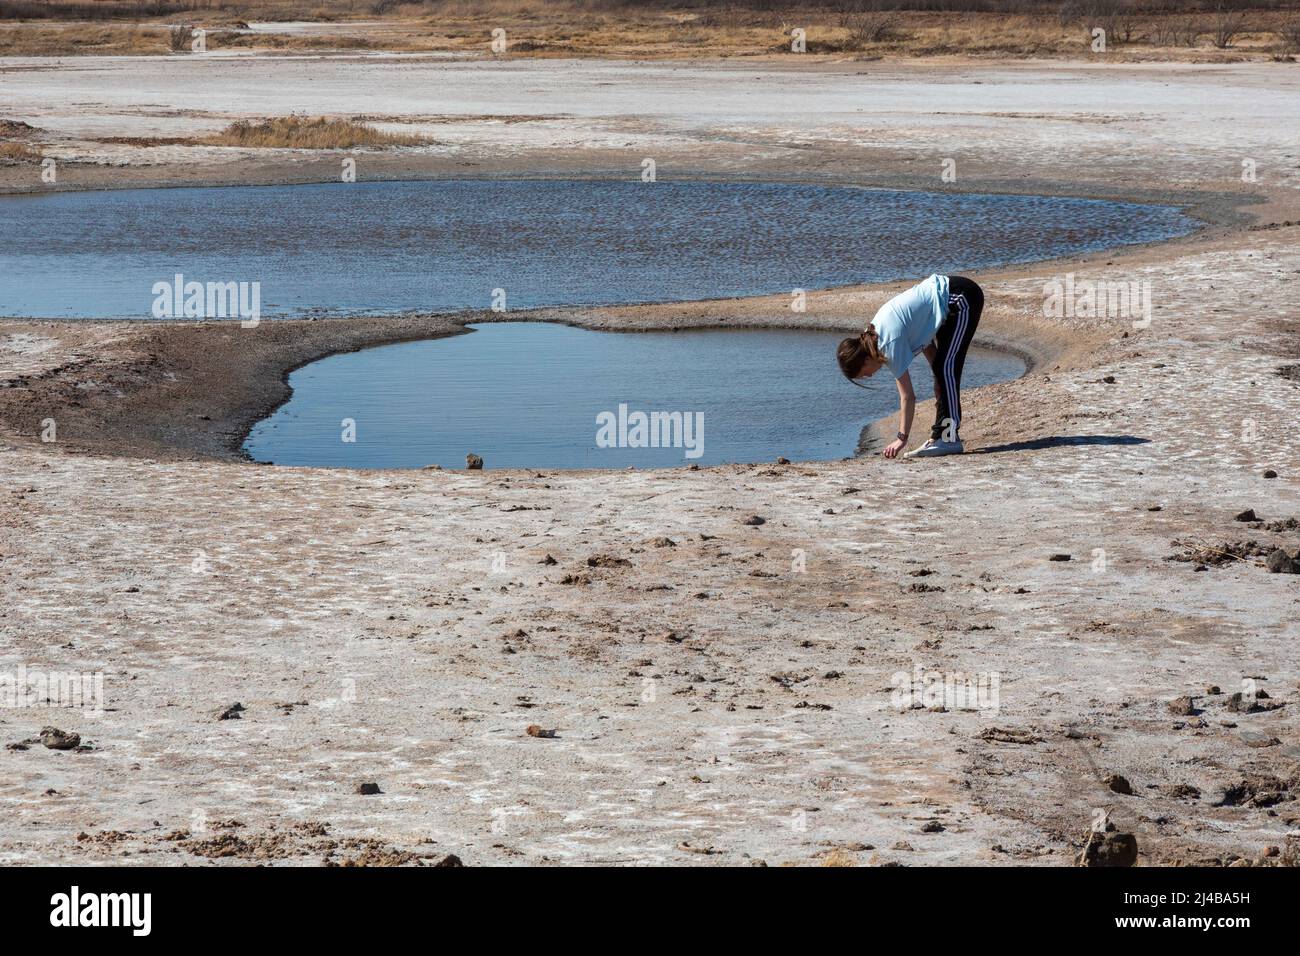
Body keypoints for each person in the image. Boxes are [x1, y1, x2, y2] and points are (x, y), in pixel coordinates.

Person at [836, 274, 985, 459]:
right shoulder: (873, 334)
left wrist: (901, 439)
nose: (868, 377)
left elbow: (908, 397)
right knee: (943, 372)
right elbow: (924, 335)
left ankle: (949, 438)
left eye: (863, 374)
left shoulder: (888, 344)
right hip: (950, 302)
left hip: (961, 298)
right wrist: (937, 375)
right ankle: (940, 437)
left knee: (947, 370)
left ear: (865, 361)